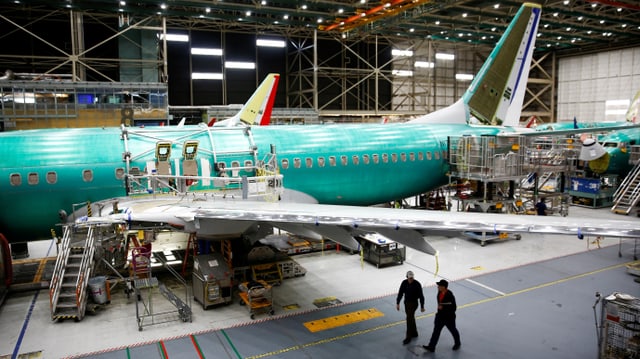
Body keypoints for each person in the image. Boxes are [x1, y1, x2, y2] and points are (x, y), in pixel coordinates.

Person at [423, 279, 461, 352]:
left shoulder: (450, 295)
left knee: (453, 330)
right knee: (436, 332)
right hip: (440, 317)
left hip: (449, 318)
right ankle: (431, 347)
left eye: (439, 285)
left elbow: (454, 308)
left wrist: (443, 308)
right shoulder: (439, 292)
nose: (438, 286)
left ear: (444, 287)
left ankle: (457, 343)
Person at [396, 270, 425, 345]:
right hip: (406, 303)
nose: (411, 279)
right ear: (407, 277)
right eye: (409, 278)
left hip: (414, 304)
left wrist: (422, 306)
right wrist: (398, 303)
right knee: (411, 317)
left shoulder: (417, 284)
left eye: (412, 278)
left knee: (409, 318)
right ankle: (415, 333)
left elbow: (421, 296)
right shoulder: (404, 283)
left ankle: (408, 337)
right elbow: (400, 293)